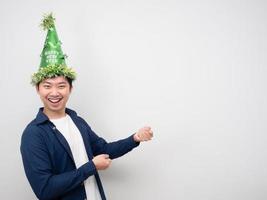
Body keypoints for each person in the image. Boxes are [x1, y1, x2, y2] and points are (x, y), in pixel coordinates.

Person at [20, 13, 153, 200]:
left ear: (70, 88)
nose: (54, 92)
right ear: (38, 89)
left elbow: (103, 148)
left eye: (61, 86)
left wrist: (135, 138)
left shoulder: (76, 120)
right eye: (47, 86)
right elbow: (45, 189)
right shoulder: (33, 134)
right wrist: (91, 167)